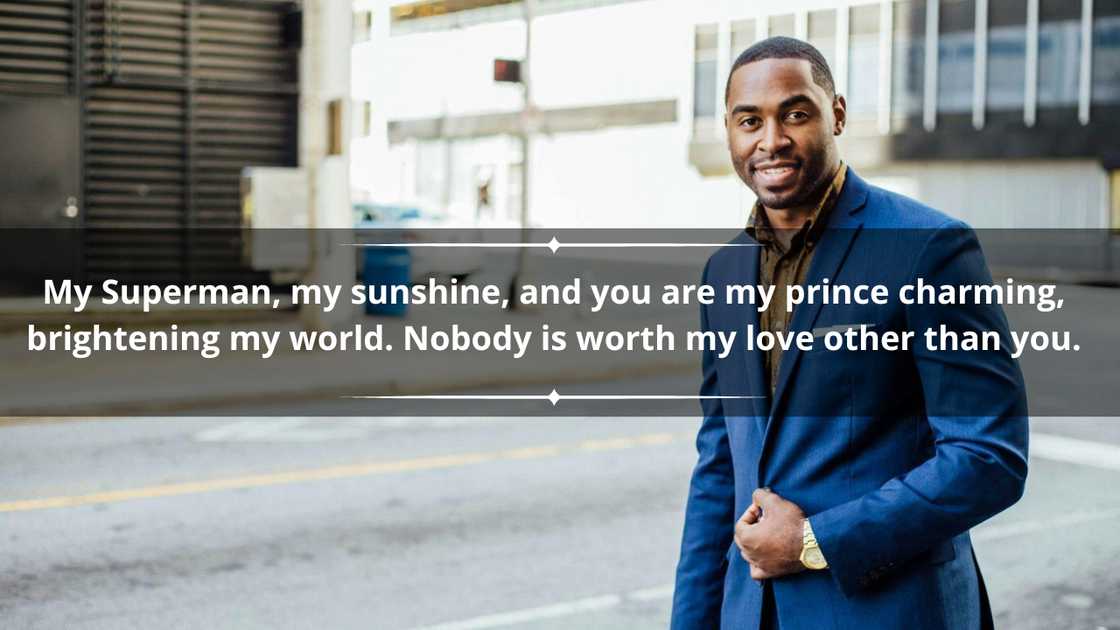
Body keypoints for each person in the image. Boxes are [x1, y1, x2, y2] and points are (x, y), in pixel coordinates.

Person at [670, 37, 1029, 630]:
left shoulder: (929, 248)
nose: (771, 140)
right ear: (728, 132)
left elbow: (988, 456)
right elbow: (719, 469)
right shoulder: (724, 272)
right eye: (749, 121)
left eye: (795, 113)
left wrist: (814, 541)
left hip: (890, 613)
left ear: (836, 113)